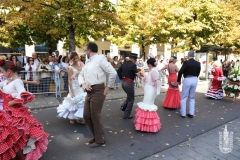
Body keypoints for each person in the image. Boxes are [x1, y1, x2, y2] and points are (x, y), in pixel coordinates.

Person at [0, 58, 48, 159]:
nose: (2, 74)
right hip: (6, 114)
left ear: (8, 71)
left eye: (2, 72)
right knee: (10, 138)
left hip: (15, 114)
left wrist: (11, 102)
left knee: (16, 137)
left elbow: (23, 95)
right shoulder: (6, 82)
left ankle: (23, 156)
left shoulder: (17, 82)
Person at [78, 42, 117, 148]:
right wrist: (83, 83)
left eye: (86, 50)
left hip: (98, 90)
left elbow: (113, 72)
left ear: (89, 50)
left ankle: (100, 140)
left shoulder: (100, 59)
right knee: (87, 115)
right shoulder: (88, 61)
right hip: (89, 91)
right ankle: (96, 136)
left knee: (95, 115)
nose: (85, 52)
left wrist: (108, 87)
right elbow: (81, 75)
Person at [57, 52, 86, 124]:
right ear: (71, 59)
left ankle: (80, 117)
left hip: (80, 85)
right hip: (73, 85)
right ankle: (72, 117)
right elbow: (69, 80)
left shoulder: (81, 63)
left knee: (81, 101)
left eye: (77, 58)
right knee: (73, 101)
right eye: (74, 58)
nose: (76, 60)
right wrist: (72, 91)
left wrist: (76, 73)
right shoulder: (70, 67)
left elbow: (84, 71)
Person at [134, 57, 161, 132]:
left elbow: (157, 81)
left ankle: (146, 125)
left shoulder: (153, 71)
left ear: (150, 64)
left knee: (147, 106)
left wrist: (157, 90)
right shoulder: (152, 71)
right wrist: (139, 76)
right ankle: (146, 125)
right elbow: (146, 80)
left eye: (148, 64)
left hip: (150, 91)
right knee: (146, 106)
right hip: (149, 90)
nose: (147, 66)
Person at [177, 51, 201, 118]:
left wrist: (178, 80)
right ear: (194, 56)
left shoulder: (186, 63)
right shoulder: (198, 63)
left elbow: (180, 72)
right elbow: (198, 72)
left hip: (187, 79)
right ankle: (191, 113)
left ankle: (183, 113)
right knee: (192, 97)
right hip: (195, 79)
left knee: (184, 97)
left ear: (188, 55)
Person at [117, 53, 141, 119]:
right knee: (131, 99)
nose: (136, 61)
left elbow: (118, 71)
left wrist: (121, 78)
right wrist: (141, 77)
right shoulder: (133, 65)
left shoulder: (124, 63)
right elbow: (137, 74)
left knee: (129, 96)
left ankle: (123, 106)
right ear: (133, 59)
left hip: (123, 82)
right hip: (129, 83)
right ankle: (126, 115)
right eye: (136, 59)